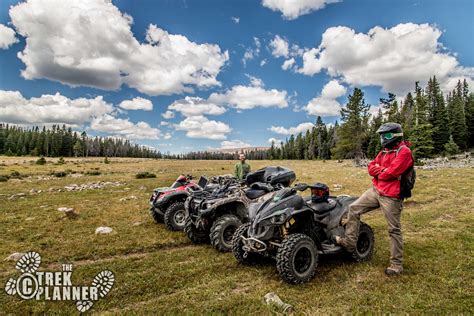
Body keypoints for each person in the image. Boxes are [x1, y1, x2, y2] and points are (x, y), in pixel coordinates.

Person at [335, 122, 414, 276]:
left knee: (394, 229)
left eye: (387, 135)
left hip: (392, 195)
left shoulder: (404, 152)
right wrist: (381, 170)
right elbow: (372, 167)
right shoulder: (384, 151)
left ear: (396, 135)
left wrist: (382, 171)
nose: (384, 138)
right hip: (376, 190)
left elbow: (390, 173)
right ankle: (350, 244)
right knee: (353, 209)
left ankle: (396, 265)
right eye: (382, 136)